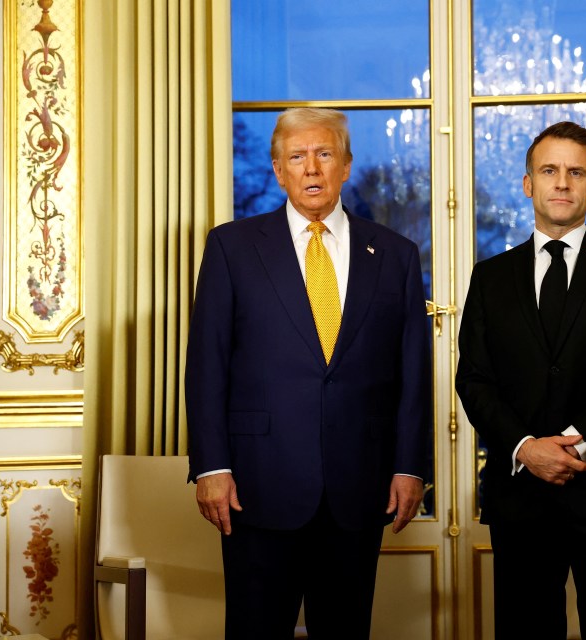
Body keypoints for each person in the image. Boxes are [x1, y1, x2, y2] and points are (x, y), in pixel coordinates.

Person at [185, 107, 432, 639]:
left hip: (358, 487)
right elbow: (207, 363)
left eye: (324, 154)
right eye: (297, 157)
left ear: (346, 165)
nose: (312, 168)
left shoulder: (396, 255)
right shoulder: (231, 247)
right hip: (255, 484)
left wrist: (411, 466)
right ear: (278, 170)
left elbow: (413, 373)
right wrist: (210, 467)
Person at [455, 121, 586, 639]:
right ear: (528, 183)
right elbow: (475, 379)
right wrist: (526, 446)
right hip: (521, 496)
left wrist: (575, 442)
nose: (562, 183)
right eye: (549, 170)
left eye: (577, 173)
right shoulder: (490, 276)